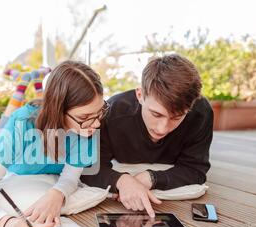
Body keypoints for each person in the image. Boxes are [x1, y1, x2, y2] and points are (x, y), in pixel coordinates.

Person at [0, 61, 108, 227]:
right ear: (58, 109)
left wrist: (58, 193)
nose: (96, 123)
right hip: (9, 150)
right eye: (84, 117)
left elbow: (70, 177)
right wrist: (4, 224)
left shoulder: (87, 129)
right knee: (0, 133)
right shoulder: (22, 123)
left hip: (42, 170)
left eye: (99, 112)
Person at [81, 54, 214, 217]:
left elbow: (196, 169)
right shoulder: (112, 113)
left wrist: (150, 178)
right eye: (156, 114)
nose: (162, 129)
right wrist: (122, 181)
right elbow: (89, 167)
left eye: (176, 117)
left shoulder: (201, 113)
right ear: (140, 95)